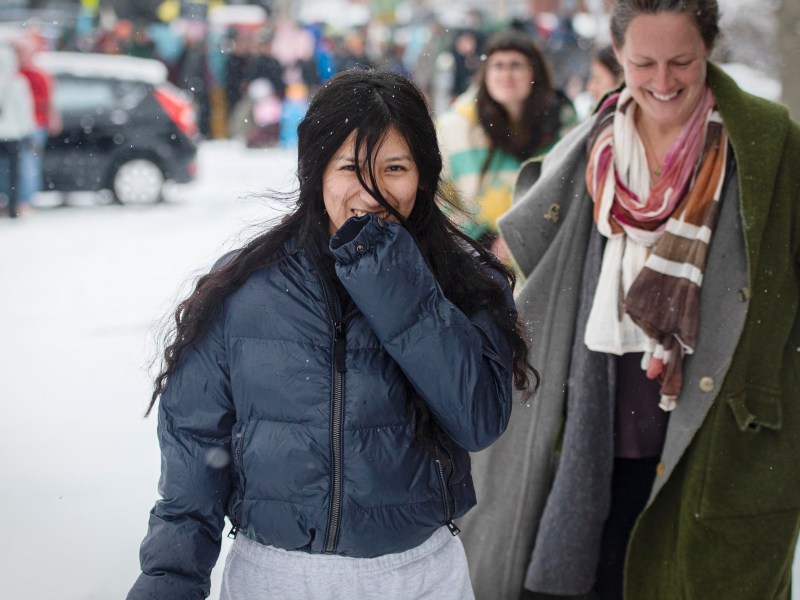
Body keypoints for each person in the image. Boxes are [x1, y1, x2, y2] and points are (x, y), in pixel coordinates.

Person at [127, 69, 536, 600]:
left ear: (424, 175)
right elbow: (192, 473)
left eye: (394, 167)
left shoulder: (465, 283)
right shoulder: (242, 289)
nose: (372, 191)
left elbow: (478, 419)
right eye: (349, 167)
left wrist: (396, 283)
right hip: (274, 579)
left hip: (417, 577)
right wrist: (168, 584)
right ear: (315, 172)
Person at [458, 0, 800, 599]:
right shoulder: (591, 147)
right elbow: (535, 269)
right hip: (591, 428)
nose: (663, 82)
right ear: (617, 56)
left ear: (710, 50)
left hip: (719, 435)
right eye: (644, 62)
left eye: (681, 61)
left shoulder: (769, 146)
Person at [437, 30, 577, 256]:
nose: (506, 74)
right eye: (498, 66)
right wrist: (483, 238)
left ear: (535, 72)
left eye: (515, 65)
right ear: (485, 73)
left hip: (546, 257)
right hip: (480, 262)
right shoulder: (455, 128)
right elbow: (437, 194)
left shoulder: (563, 125)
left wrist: (529, 233)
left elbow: (575, 192)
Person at [0, 43, 36, 218]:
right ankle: (14, 206)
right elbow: (25, 110)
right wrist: (27, 131)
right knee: (14, 173)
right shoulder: (18, 82)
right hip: (14, 134)